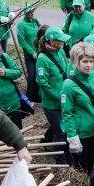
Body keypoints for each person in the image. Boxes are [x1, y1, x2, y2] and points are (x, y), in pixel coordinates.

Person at [61, 42, 94, 174]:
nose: (89, 65)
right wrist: (72, 136)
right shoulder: (68, 85)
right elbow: (67, 113)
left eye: (91, 61)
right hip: (81, 133)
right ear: (76, 61)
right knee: (82, 166)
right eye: (85, 61)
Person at [36, 26, 73, 166]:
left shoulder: (61, 51)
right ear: (52, 41)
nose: (63, 42)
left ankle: (68, 156)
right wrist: (60, 97)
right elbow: (44, 84)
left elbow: (67, 69)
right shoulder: (42, 58)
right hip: (52, 104)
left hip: (65, 100)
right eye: (60, 40)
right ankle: (60, 160)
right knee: (60, 132)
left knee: (66, 129)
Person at [16, 5, 40, 99]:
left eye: (33, 11)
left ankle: (39, 94)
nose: (32, 13)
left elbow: (41, 32)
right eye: (29, 12)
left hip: (40, 53)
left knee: (40, 75)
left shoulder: (35, 21)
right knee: (31, 76)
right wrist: (32, 52)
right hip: (30, 56)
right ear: (25, 13)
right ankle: (30, 97)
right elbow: (22, 42)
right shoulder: (21, 25)